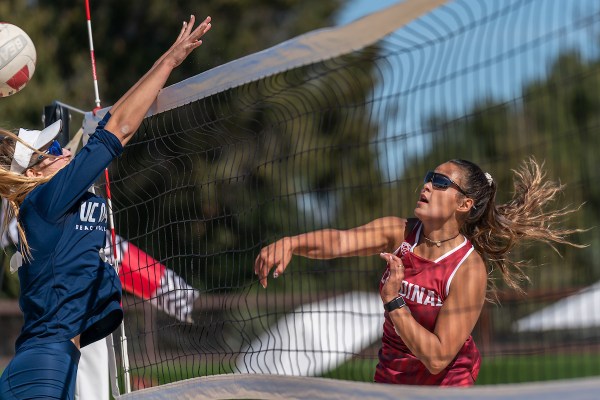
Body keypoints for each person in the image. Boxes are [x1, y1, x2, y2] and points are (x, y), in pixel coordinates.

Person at [0, 15, 212, 399]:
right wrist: (169, 63)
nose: (62, 148)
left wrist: (158, 63)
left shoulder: (58, 200)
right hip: (43, 366)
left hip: (54, 362)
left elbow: (112, 122)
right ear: (34, 173)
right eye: (49, 150)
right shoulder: (45, 201)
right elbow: (120, 130)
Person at [254, 158, 583, 386]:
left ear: (464, 204)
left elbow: (438, 358)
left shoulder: (468, 269)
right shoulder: (399, 233)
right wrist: (292, 243)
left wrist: (394, 303)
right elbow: (339, 241)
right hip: (393, 379)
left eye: (440, 182)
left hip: (445, 386)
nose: (427, 185)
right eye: (429, 177)